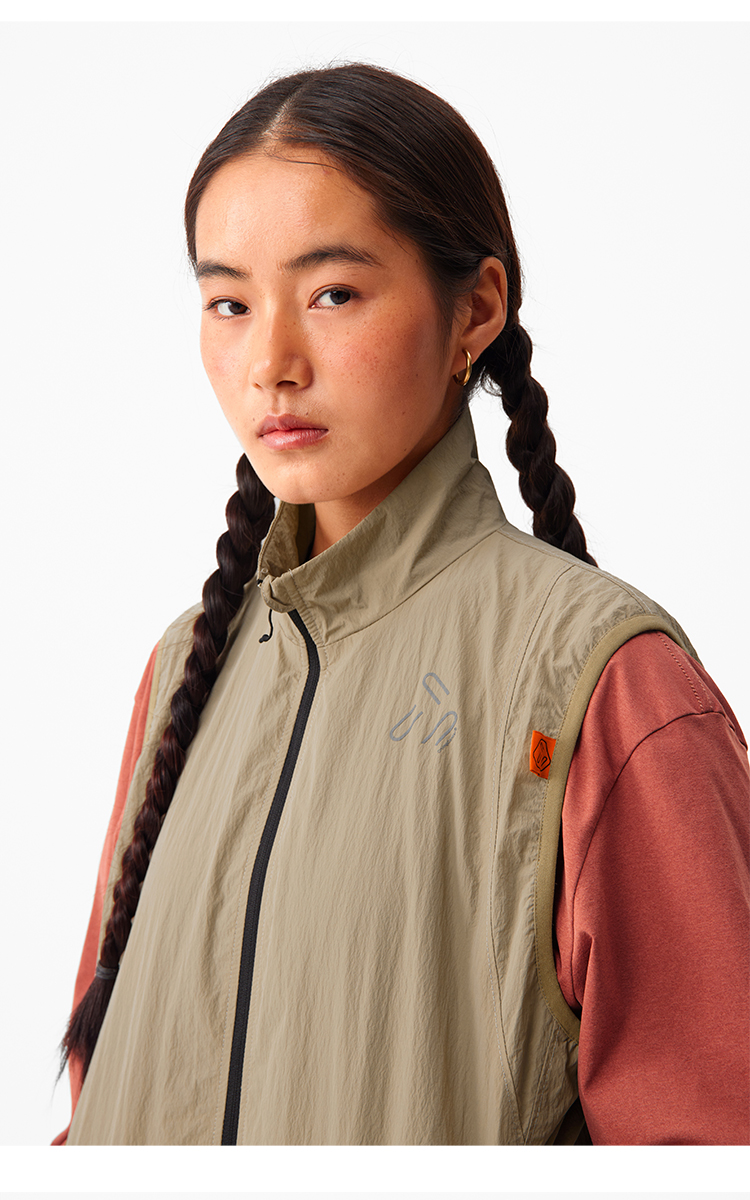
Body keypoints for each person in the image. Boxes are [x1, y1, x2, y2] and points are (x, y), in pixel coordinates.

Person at [55, 62, 749, 1146]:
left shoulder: (606, 684)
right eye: (230, 303)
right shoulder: (185, 667)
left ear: (476, 308)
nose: (271, 363)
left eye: (332, 293)